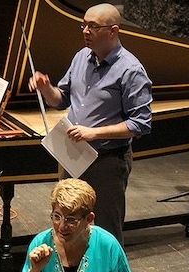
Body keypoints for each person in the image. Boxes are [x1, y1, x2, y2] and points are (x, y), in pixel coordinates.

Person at [27, 3, 153, 244]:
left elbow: (141, 124)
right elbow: (60, 99)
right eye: (83, 24)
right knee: (67, 223)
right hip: (73, 155)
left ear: (113, 31)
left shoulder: (130, 70)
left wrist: (93, 133)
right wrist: (46, 88)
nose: (85, 30)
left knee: (104, 232)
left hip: (107, 161)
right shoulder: (81, 57)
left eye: (93, 26)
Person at [13, 178, 139, 272]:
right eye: (57, 217)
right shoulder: (41, 242)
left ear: (89, 219)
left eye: (71, 219)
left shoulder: (107, 245)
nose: (62, 226)